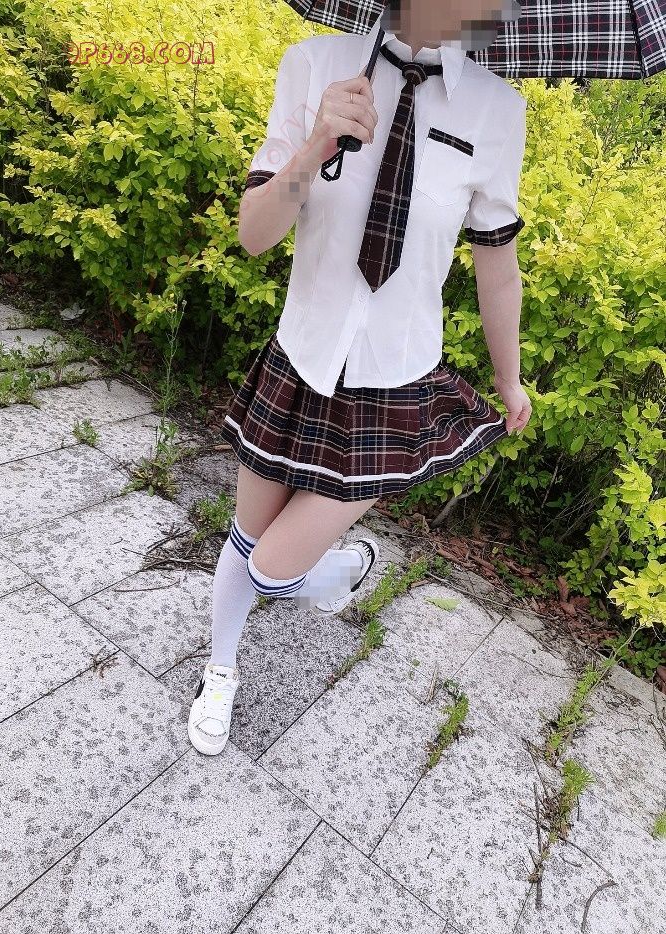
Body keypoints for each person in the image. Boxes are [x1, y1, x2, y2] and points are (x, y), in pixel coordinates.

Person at [188, 0, 532, 756]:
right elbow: (254, 235)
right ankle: (220, 669)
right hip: (303, 354)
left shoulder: (497, 109)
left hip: (393, 383)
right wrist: (316, 144)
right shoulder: (315, 64)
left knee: (271, 568)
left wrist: (509, 379)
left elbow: (497, 267)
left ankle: (324, 572)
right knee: (246, 538)